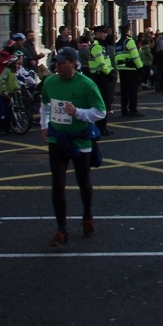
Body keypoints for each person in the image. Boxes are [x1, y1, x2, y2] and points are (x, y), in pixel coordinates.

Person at [40, 46, 106, 247]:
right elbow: (44, 106)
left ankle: (87, 217)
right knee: (57, 184)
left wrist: (77, 112)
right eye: (56, 62)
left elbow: (100, 111)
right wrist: (44, 125)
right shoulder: (50, 82)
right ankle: (61, 229)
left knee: (83, 180)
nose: (57, 66)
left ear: (74, 64)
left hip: (80, 140)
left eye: (62, 62)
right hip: (57, 139)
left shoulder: (86, 84)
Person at [87, 26, 114, 136]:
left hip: (102, 75)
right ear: (97, 33)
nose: (105, 34)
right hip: (100, 76)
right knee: (102, 102)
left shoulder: (100, 46)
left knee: (105, 102)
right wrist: (109, 72)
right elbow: (101, 63)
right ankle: (100, 127)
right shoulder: (97, 46)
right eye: (103, 32)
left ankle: (103, 127)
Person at [114, 24, 145, 118]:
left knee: (124, 91)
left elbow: (116, 57)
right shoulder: (129, 41)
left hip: (122, 69)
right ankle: (133, 110)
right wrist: (140, 68)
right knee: (133, 91)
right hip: (131, 69)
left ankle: (124, 110)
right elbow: (135, 56)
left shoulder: (118, 43)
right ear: (127, 31)